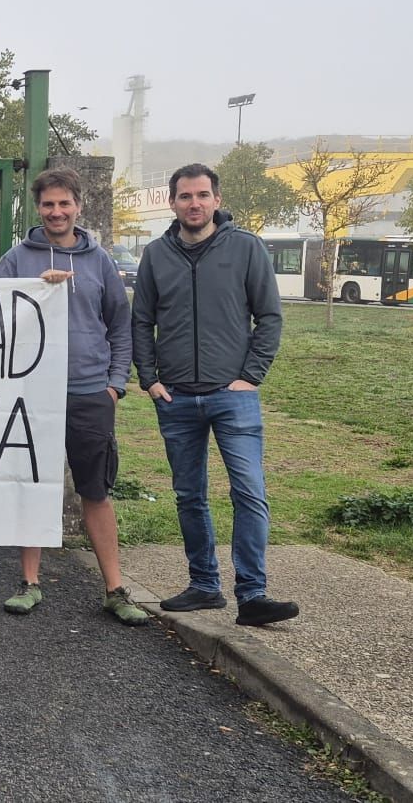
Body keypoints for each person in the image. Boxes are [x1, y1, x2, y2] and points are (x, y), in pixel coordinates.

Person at [132, 163, 300, 627]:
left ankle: (253, 594)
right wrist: (150, 378)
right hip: (177, 397)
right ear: (172, 203)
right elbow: (141, 321)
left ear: (217, 200)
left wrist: (251, 376)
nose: (194, 204)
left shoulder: (246, 248)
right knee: (190, 495)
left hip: (234, 395)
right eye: (185, 196)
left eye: (202, 195)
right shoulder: (155, 255)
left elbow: (269, 317)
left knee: (249, 491)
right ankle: (205, 585)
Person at [0, 168, 147, 625]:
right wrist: (37, 290)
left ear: (78, 206)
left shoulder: (100, 261)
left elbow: (120, 324)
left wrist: (115, 384)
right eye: (47, 205)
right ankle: (29, 582)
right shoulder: (16, 259)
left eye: (64, 204)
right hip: (32, 394)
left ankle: (115, 588)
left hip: (88, 392)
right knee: (32, 487)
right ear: (36, 209)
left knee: (95, 490)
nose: (56, 212)